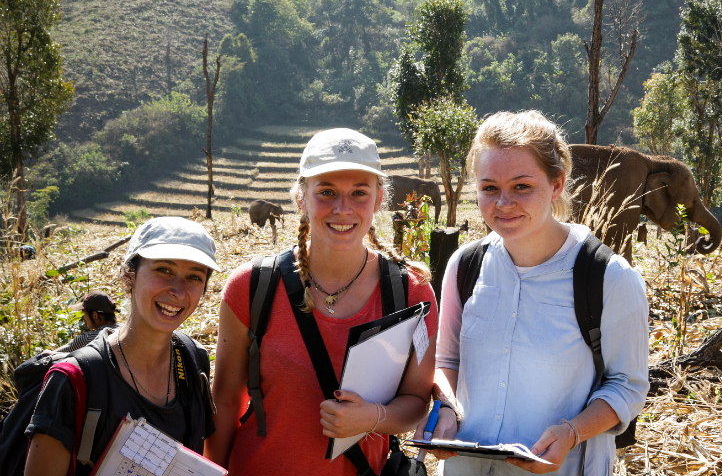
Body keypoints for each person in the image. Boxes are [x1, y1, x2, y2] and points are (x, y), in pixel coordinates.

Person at [418, 111, 650, 475]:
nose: (503, 203)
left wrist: (572, 433)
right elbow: (448, 360)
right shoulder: (465, 266)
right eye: (489, 188)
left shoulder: (609, 277)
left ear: (556, 184)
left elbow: (627, 386)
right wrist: (445, 407)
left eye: (521, 186)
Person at [205, 128, 438, 475]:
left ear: (378, 200)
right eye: (326, 192)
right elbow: (225, 403)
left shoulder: (410, 292)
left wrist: (373, 417)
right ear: (301, 198)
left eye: (359, 193)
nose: (342, 209)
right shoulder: (252, 287)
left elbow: (417, 402)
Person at [24, 217, 221, 476]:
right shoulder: (74, 380)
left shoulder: (194, 360)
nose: (178, 291)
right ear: (128, 277)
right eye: (164, 270)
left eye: (194, 277)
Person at [56, 290, 121, 353]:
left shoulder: (90, 338)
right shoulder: (124, 330)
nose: (84, 317)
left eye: (84, 313)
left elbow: (51, 355)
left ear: (95, 316)